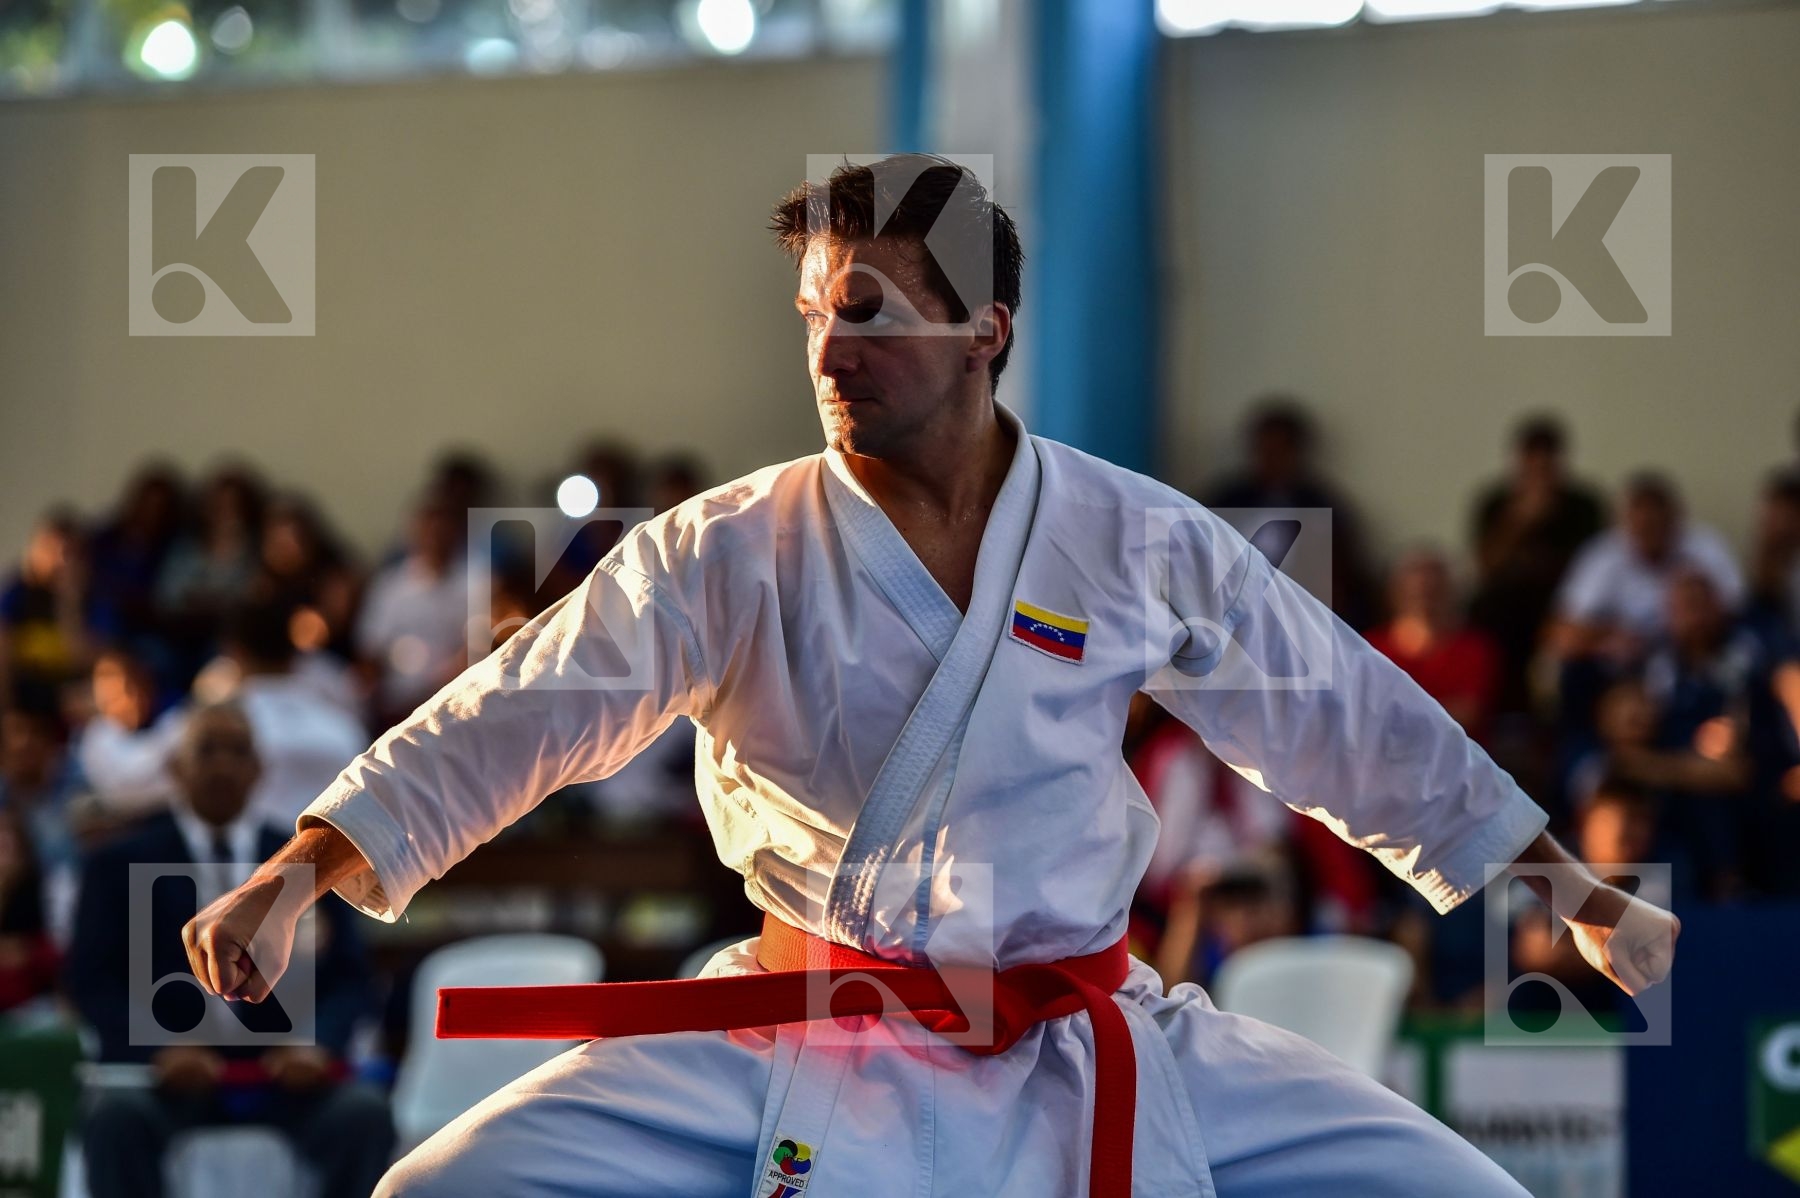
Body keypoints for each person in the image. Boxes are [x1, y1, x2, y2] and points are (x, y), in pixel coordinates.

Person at [183, 155, 1677, 1198]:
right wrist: (310, 865)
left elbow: (1336, 714)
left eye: (875, 307)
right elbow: (523, 707)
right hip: (798, 1027)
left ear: (987, 329)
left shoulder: (1125, 533)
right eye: (819, 310)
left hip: (1079, 1038)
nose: (833, 344)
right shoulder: (727, 548)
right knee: (441, 1186)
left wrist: (1563, 884)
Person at [66, 702, 393, 1198]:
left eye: (237, 751)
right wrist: (156, 1051)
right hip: (166, 1077)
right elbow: (91, 979)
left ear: (258, 769)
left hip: (286, 1075)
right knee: (114, 1121)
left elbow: (351, 977)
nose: (222, 764)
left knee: (364, 1115)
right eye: (207, 750)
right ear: (177, 767)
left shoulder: (306, 860)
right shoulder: (119, 861)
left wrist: (318, 1045)